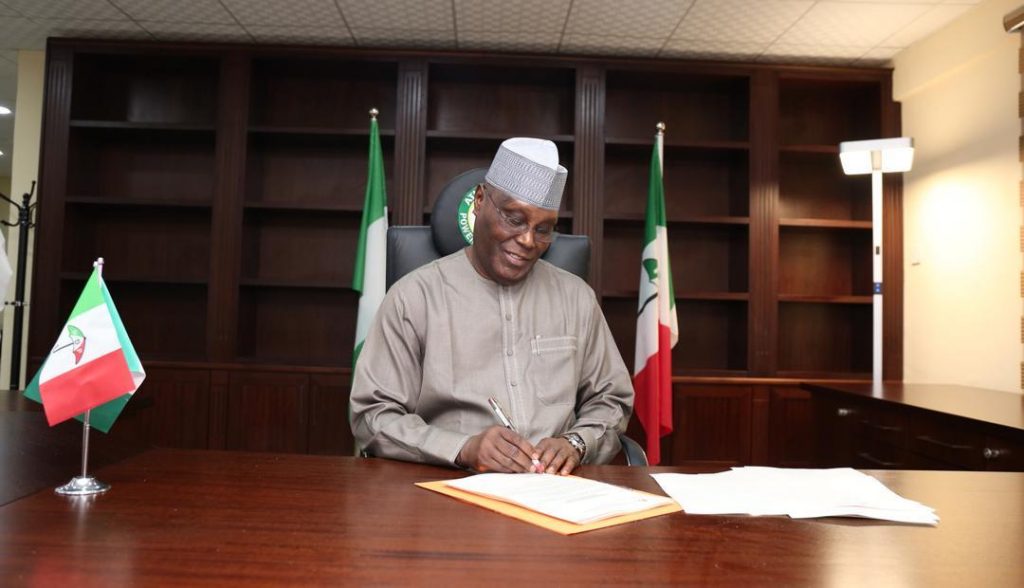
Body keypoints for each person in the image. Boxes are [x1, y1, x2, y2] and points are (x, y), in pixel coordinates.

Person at [350, 138, 633, 475]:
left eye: (542, 229)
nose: (528, 241)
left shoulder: (576, 299)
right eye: (514, 220)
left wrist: (576, 442)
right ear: (481, 200)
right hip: (448, 486)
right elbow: (372, 416)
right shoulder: (414, 297)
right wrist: (462, 448)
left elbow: (612, 400)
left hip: (555, 491)